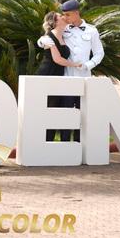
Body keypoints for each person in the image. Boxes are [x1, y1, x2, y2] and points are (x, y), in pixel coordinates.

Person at [38, 0, 105, 142]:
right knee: (66, 115)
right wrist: (42, 41)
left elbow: (99, 53)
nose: (65, 17)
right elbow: (48, 35)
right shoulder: (64, 28)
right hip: (66, 79)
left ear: (76, 13)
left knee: (83, 114)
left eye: (68, 14)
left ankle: (79, 145)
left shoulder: (92, 31)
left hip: (84, 79)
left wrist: (88, 65)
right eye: (63, 14)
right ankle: (65, 144)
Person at [37, 11, 83, 141]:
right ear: (55, 22)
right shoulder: (49, 38)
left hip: (58, 76)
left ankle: (50, 142)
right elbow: (57, 59)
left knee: (55, 109)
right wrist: (75, 65)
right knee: (49, 108)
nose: (64, 17)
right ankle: (45, 141)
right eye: (60, 16)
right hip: (48, 74)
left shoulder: (64, 35)